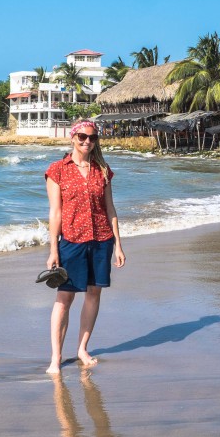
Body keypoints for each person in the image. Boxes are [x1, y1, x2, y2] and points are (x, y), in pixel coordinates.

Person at [45, 120, 126, 374]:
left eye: (92, 138)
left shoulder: (102, 170)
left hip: (101, 239)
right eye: (82, 137)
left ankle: (82, 348)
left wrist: (118, 245)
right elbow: (55, 213)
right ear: (72, 138)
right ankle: (56, 358)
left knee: (94, 294)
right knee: (64, 298)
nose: (87, 142)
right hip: (71, 241)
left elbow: (110, 209)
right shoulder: (57, 170)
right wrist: (53, 250)